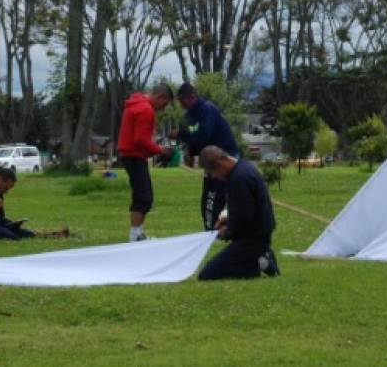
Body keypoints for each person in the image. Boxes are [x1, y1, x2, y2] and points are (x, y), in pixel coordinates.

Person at [196, 146, 279, 280]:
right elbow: (244, 209)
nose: (215, 178)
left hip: (253, 239)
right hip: (254, 234)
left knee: (208, 274)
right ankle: (258, 259)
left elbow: (245, 217)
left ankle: (259, 261)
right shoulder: (242, 169)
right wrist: (227, 221)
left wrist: (227, 231)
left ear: (219, 165)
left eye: (212, 173)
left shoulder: (239, 178)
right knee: (218, 268)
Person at [168, 83, 239, 230]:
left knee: (214, 197)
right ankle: (214, 229)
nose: (182, 106)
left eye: (184, 102)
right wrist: (191, 152)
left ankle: (216, 230)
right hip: (211, 161)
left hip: (224, 160)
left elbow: (204, 136)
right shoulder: (190, 116)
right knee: (209, 199)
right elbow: (197, 140)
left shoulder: (207, 110)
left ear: (193, 96)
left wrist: (181, 134)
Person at [117, 84, 174, 241]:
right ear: (159, 96)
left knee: (146, 196)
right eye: (165, 103)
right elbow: (140, 139)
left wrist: (155, 150)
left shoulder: (137, 105)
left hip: (133, 155)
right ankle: (134, 235)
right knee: (143, 196)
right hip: (134, 156)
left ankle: (139, 233)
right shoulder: (145, 110)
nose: (164, 107)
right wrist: (160, 150)